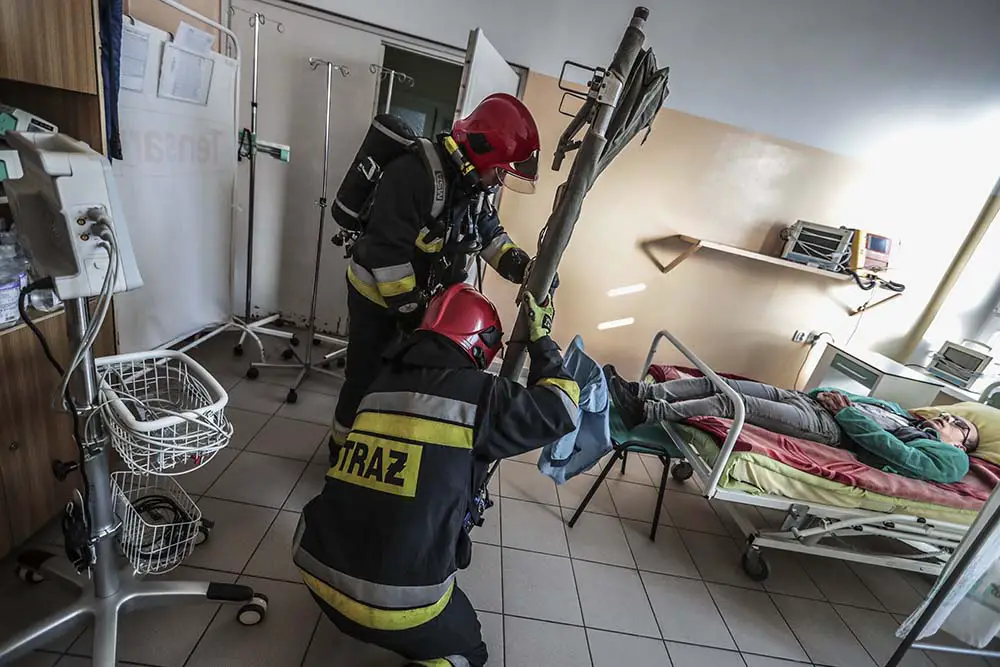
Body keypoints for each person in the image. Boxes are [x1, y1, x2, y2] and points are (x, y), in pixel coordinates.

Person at [295, 284, 579, 667]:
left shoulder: (379, 385)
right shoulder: (481, 396)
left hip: (314, 568)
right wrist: (542, 341)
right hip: (395, 606)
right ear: (479, 345)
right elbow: (562, 408)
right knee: (469, 653)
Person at [332, 93, 540, 447]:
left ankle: (382, 445)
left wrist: (523, 267)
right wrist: (414, 313)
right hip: (376, 300)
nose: (497, 181)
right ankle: (342, 449)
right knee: (366, 379)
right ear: (483, 150)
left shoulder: (472, 188)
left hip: (419, 307)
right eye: (499, 171)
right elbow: (386, 253)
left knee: (405, 383)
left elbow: (489, 235)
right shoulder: (414, 174)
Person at [603, 366, 978, 484]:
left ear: (960, 445)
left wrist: (845, 413)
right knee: (719, 383)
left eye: (960, 425)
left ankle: (647, 412)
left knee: (734, 404)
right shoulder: (903, 413)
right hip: (808, 400)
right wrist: (830, 395)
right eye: (951, 414)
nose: (949, 417)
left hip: (827, 427)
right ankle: (638, 391)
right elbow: (844, 395)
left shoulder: (953, 460)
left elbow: (895, 453)